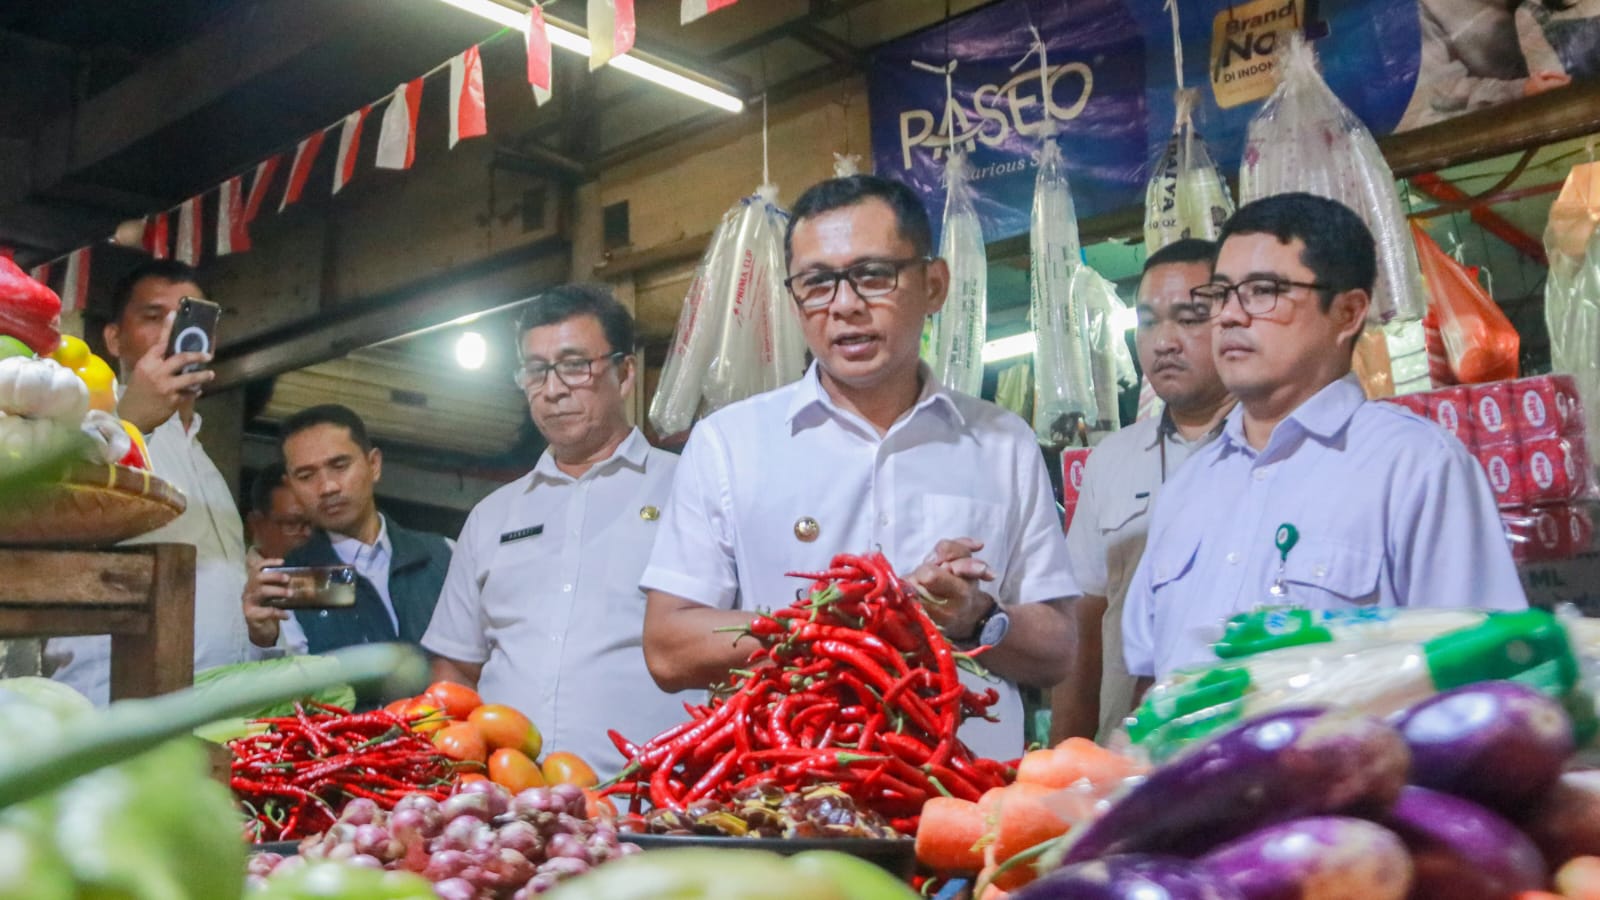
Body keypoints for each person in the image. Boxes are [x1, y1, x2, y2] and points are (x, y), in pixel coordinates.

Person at [640, 174, 1080, 760]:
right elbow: (670, 647)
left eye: (873, 275)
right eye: (817, 283)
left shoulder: (1002, 442)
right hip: (785, 794)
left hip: (962, 801)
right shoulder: (729, 443)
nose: (844, 305)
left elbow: (1057, 651)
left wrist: (975, 617)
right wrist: (850, 622)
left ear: (933, 284)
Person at [1122, 193, 1527, 684]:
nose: (1229, 316)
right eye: (1222, 294)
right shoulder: (1187, 491)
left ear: (1348, 312)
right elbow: (1148, 680)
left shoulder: (1415, 468)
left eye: (1263, 291)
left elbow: (1483, 680)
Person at [422, 286, 684, 780]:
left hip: (656, 804)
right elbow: (455, 669)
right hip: (509, 813)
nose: (553, 388)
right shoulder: (491, 516)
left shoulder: (688, 489)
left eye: (574, 365)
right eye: (536, 370)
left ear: (625, 373)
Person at [44, 260, 253, 705]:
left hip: (206, 708)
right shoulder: (79, 416)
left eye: (189, 319)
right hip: (112, 703)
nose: (170, 333)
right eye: (154, 317)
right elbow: (52, 504)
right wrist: (131, 417)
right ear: (114, 337)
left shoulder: (203, 454)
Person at [1050, 239, 1234, 744]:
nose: (1163, 341)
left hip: (1244, 752)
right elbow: (1083, 625)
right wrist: (1064, 759)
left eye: (1189, 317)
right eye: (1148, 320)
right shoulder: (1111, 461)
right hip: (1123, 759)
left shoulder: (1275, 449)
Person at [242, 404, 451, 655]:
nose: (327, 486)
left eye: (340, 466)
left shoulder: (445, 555)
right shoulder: (291, 584)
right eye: (306, 476)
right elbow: (287, 685)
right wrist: (263, 640)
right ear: (291, 485)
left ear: (373, 464)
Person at [246, 462, 311, 561]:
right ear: (256, 525)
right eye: (292, 523)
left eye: (316, 524)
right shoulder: (234, 575)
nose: (308, 533)